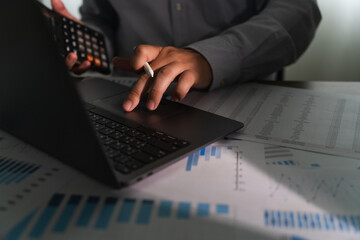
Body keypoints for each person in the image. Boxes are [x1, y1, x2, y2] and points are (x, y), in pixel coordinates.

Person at [51, 0, 321, 112]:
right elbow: (102, 19)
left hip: (240, 104)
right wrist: (85, 42)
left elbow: (299, 10)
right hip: (130, 104)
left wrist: (209, 58)